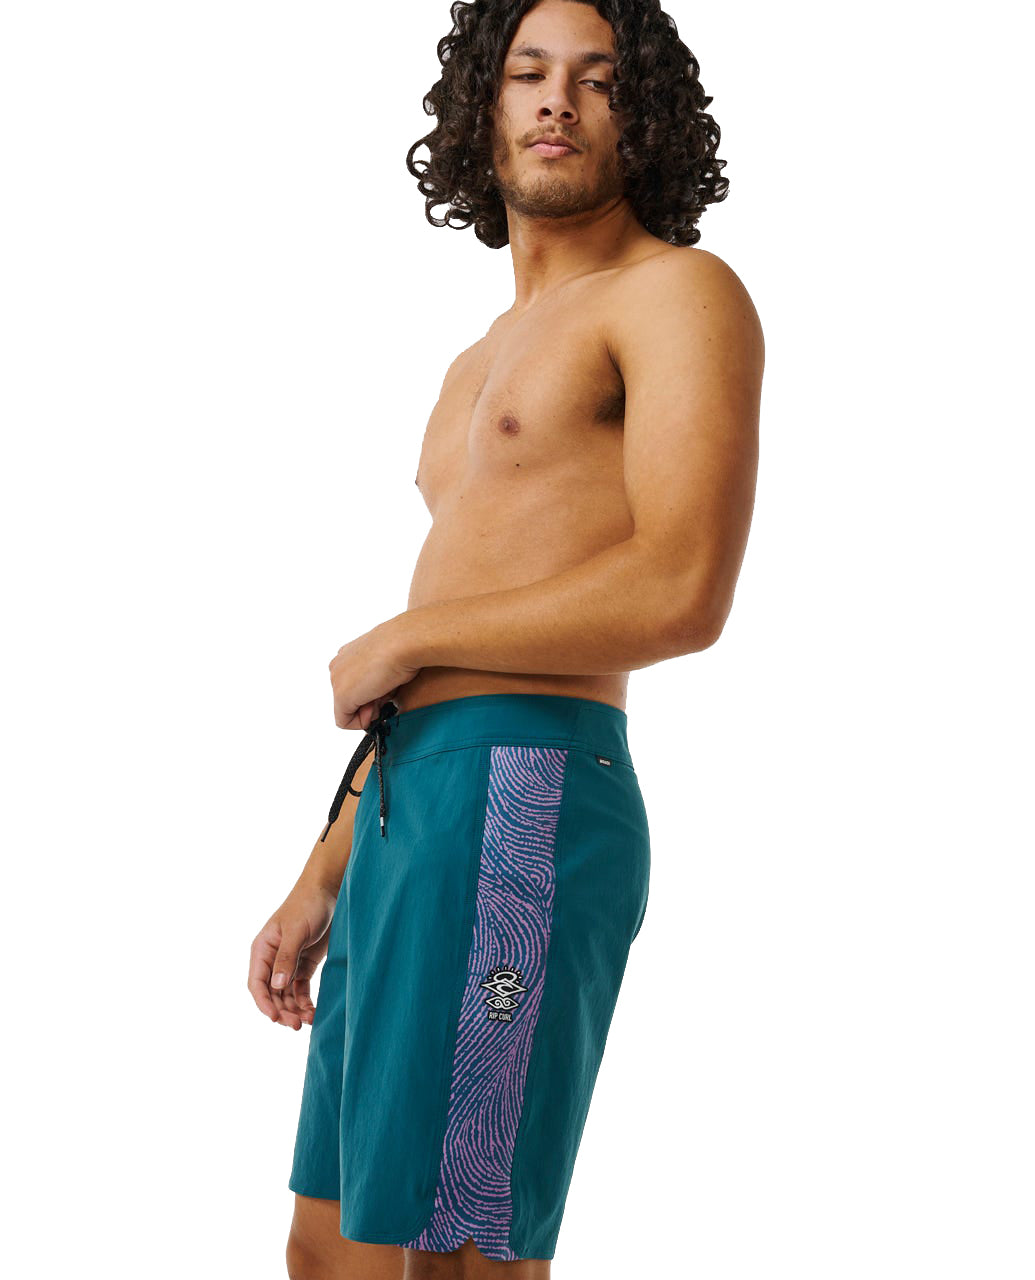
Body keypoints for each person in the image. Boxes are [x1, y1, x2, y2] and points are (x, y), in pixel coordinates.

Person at [248, 0, 763, 1275]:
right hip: (406, 803)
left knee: (458, 1252)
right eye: (528, 72)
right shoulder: (475, 359)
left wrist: (408, 632)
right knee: (332, 1249)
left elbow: (683, 587)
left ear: (644, 114)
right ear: (481, 108)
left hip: (526, 789)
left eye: (598, 79)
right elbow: (470, 616)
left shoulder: (676, 294)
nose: (557, 102)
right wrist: (323, 871)